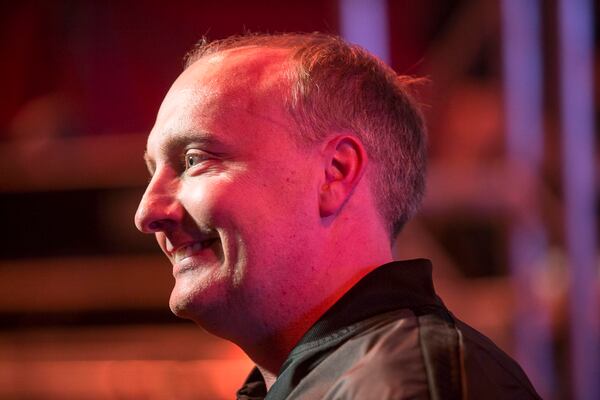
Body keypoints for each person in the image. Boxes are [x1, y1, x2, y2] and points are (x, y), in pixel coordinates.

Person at [134, 33, 540, 399]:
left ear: (335, 174)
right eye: (154, 172)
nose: (147, 212)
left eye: (193, 160)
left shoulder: (405, 386)